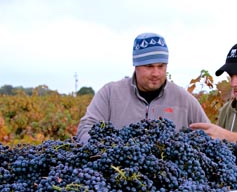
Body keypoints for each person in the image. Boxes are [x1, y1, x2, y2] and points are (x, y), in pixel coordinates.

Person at [76, 32, 210, 144]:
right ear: (136, 65)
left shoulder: (184, 99)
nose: (156, 73)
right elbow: (86, 127)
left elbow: (209, 135)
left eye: (161, 66)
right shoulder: (110, 93)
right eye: (149, 66)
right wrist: (104, 150)